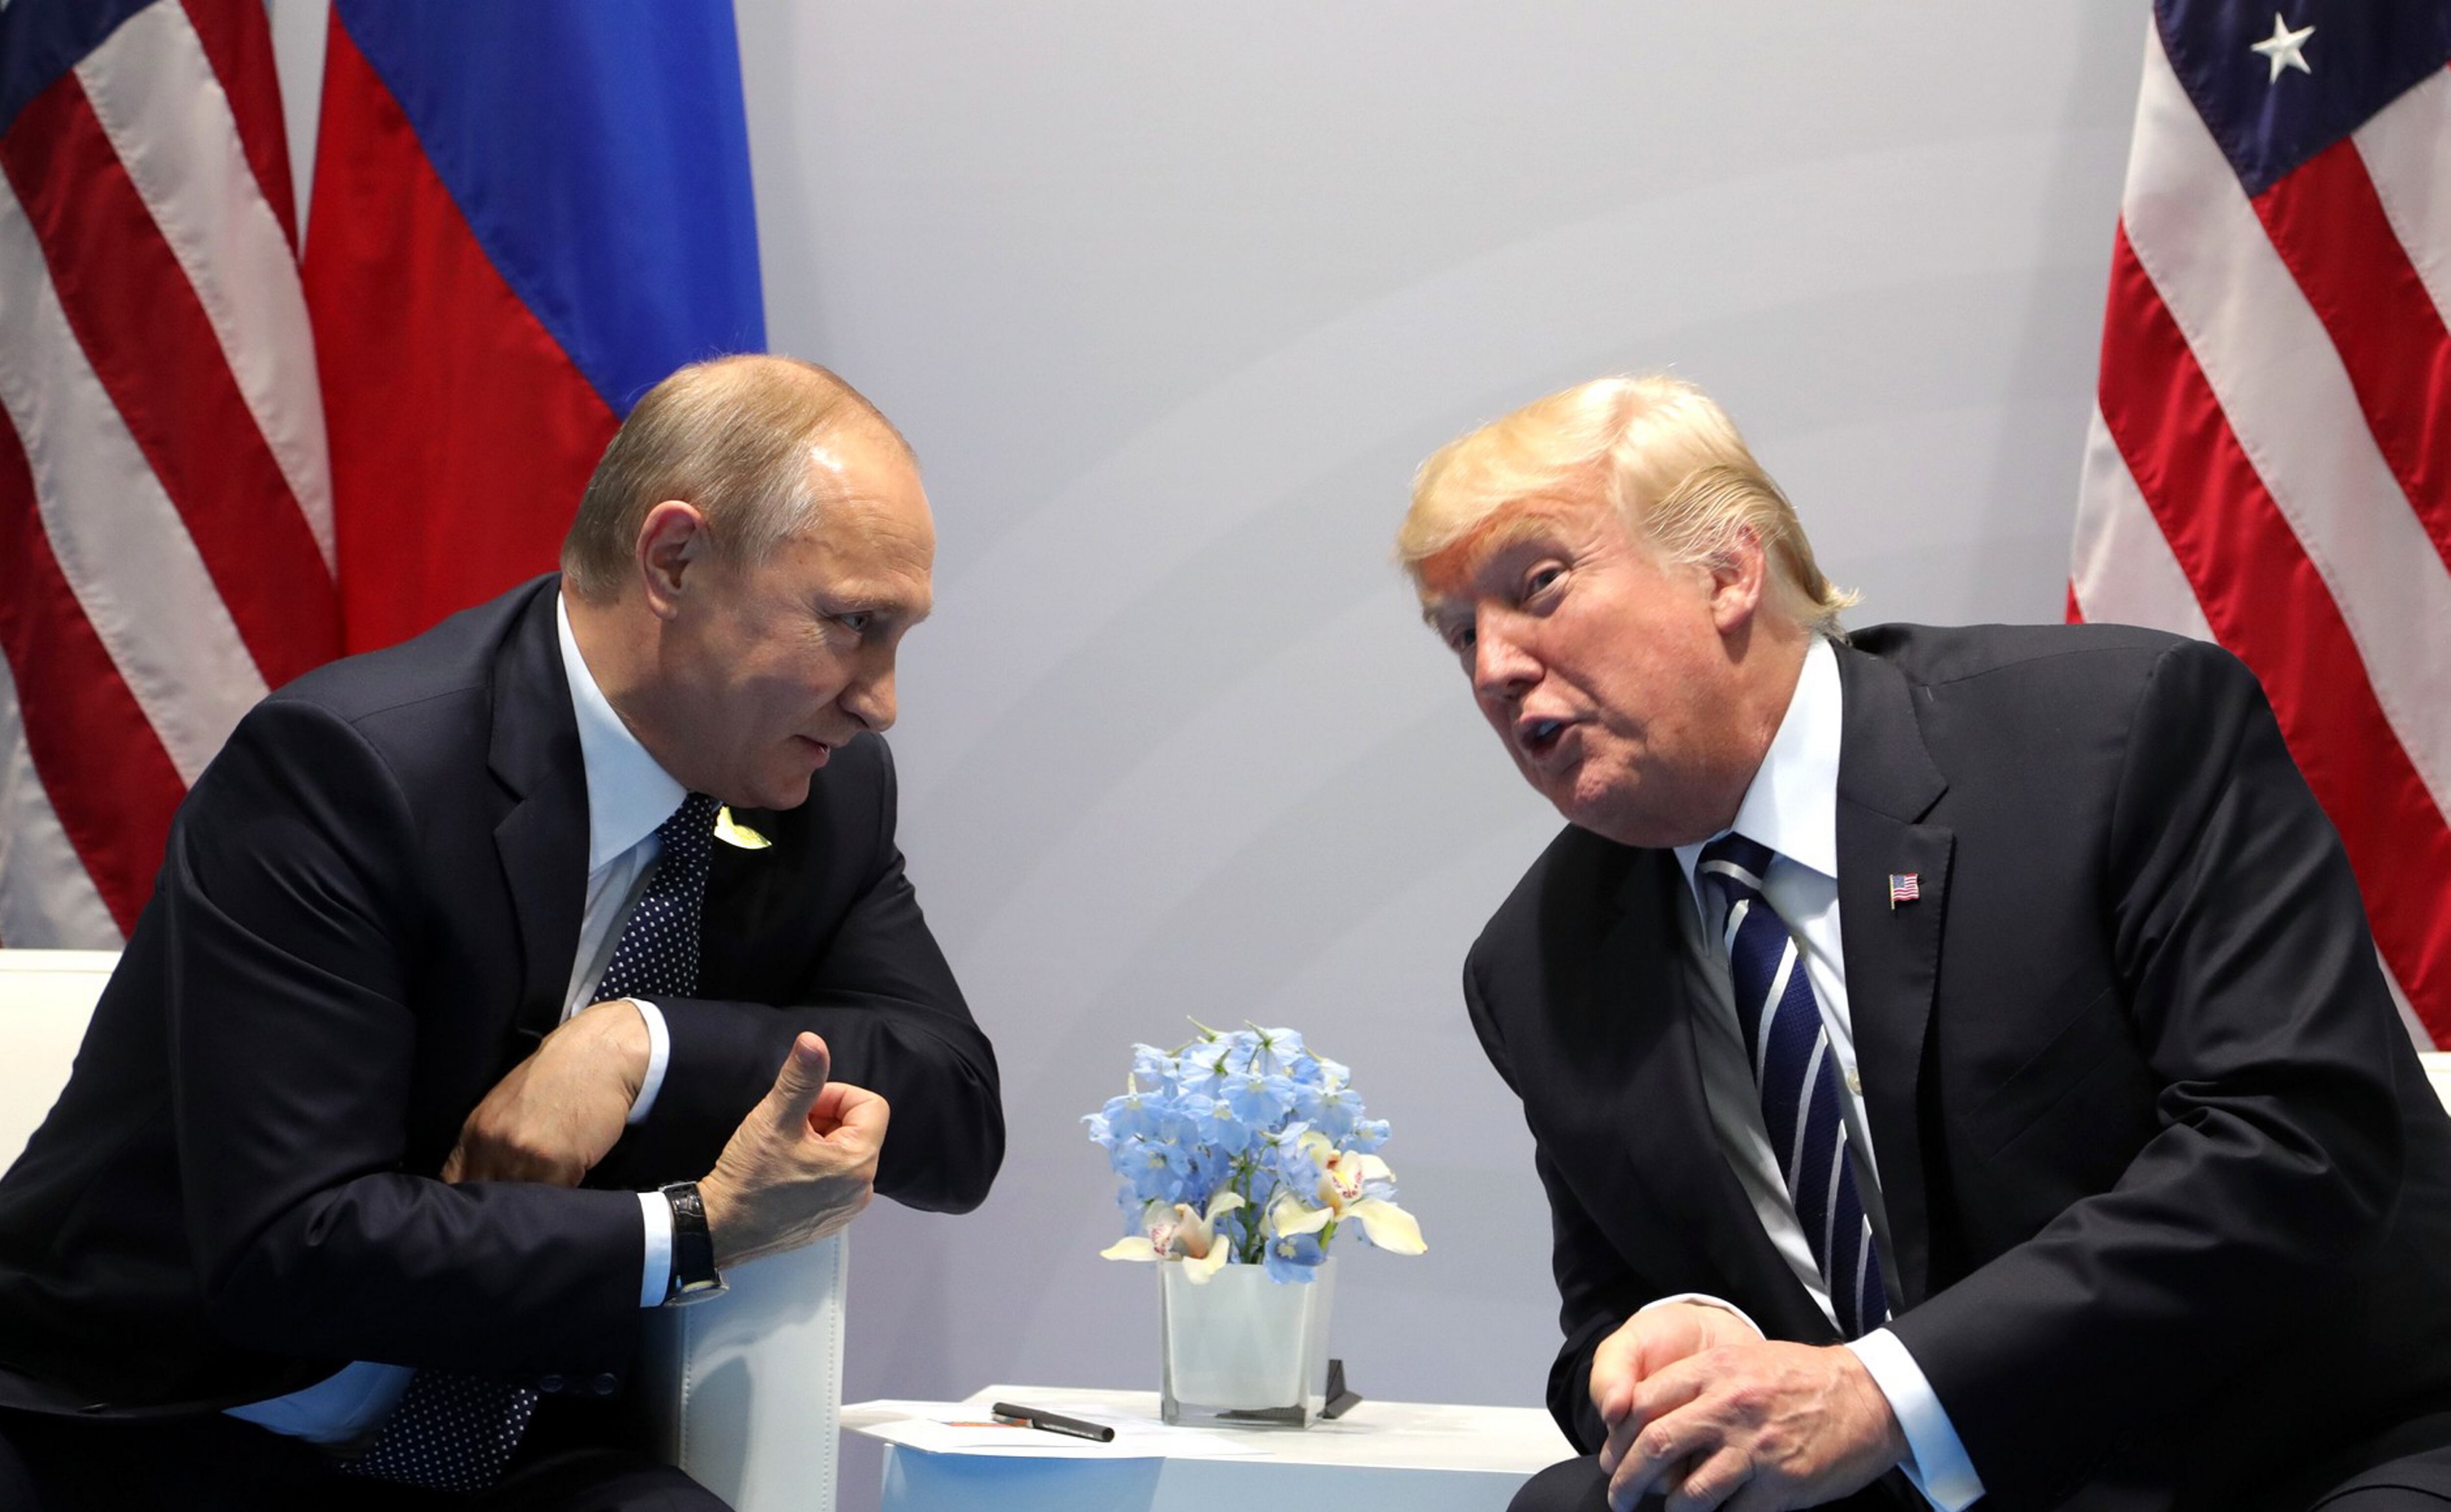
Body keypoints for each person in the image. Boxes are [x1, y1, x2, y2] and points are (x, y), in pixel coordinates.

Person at [1398, 375, 2451, 1512]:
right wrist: (1666, 1335)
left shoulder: (2111, 735)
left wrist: (1879, 1393)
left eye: (1538, 587)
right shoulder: (1541, 965)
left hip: (2275, 1455)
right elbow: (1604, 1306)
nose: (1495, 667)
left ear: (1726, 568)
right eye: (1461, 633)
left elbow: (2291, 1143)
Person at [0, 355, 1004, 1510]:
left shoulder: (819, 794)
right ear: (673, 561)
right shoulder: (352, 771)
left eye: (898, 637)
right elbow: (294, 1249)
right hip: (167, 1428)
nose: (880, 698)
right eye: (852, 625)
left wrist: (642, 1046)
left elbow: (954, 1117)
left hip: (508, 1444)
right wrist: (689, 1230)